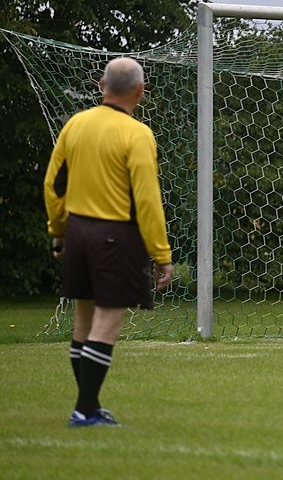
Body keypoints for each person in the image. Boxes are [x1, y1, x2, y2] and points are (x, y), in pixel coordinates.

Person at [43, 57, 174, 427]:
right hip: (115, 237)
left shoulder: (75, 124)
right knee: (106, 324)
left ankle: (90, 406)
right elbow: (147, 200)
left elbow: (54, 186)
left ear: (102, 86)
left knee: (83, 324)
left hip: (77, 232)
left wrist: (59, 232)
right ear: (140, 92)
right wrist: (161, 253)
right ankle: (84, 410)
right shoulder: (137, 134)